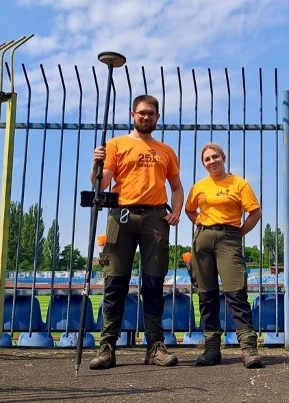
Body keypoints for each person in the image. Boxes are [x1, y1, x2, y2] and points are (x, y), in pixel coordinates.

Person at [88, 94, 184, 370]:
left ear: (157, 117)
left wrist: (175, 211)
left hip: (155, 217)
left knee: (153, 284)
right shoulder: (116, 145)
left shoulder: (166, 150)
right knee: (115, 283)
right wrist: (96, 164)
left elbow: (177, 187)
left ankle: (155, 347)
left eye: (151, 113)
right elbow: (102, 183)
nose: (146, 117)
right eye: (141, 113)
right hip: (122, 215)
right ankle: (107, 348)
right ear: (133, 115)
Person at [185, 143, 263, 368]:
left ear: (223, 157)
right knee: (206, 295)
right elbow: (190, 209)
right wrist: (201, 223)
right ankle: (211, 349)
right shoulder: (199, 187)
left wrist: (239, 233)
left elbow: (255, 212)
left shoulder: (239, 184)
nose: (212, 161)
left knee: (236, 293)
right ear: (203, 163)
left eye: (215, 157)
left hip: (229, 237)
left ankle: (248, 348)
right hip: (203, 239)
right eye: (207, 159)